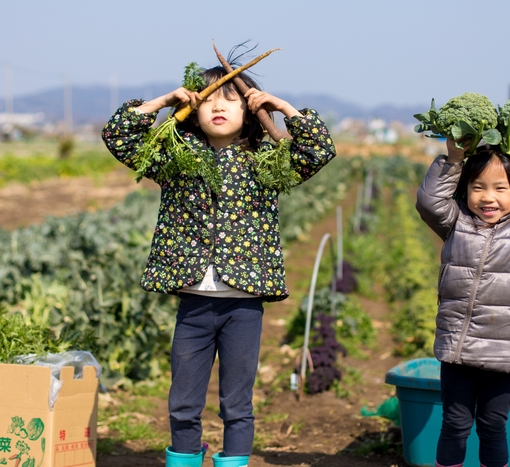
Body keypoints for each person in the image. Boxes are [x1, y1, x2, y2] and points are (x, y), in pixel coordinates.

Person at [102, 61, 336, 467]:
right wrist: (163, 101)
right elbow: (118, 135)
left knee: (237, 402)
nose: (217, 106)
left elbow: (318, 150)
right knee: (183, 401)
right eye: (207, 99)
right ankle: (186, 457)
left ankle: (235, 459)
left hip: (243, 306)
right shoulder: (177, 156)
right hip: (194, 304)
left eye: (230, 97)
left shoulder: (264, 162)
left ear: (248, 111)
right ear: (194, 111)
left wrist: (281, 107)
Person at [415, 135, 510, 467]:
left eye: (501, 188)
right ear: (465, 189)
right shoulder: (456, 223)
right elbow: (429, 203)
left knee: (493, 426)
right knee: (455, 425)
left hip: (505, 352)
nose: (488, 198)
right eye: (478, 187)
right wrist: (453, 161)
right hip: (459, 351)